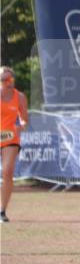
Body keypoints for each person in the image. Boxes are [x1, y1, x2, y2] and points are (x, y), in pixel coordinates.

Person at [1, 66, 28, 223]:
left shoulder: (20, 97)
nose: (8, 82)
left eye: (10, 79)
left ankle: (2, 211)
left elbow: (24, 118)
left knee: (7, 171)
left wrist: (22, 125)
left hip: (10, 137)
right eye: (4, 80)